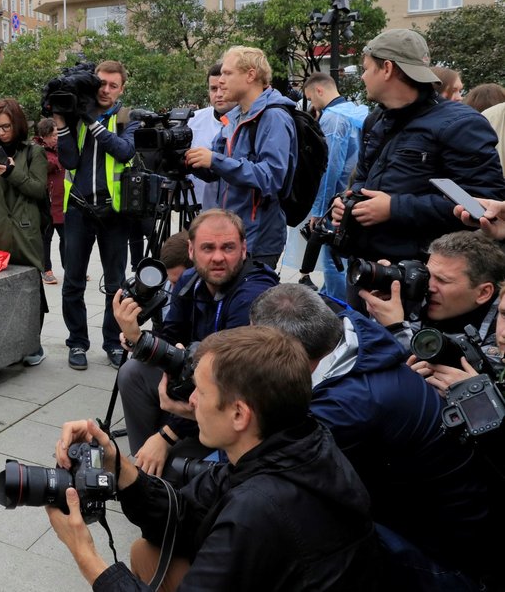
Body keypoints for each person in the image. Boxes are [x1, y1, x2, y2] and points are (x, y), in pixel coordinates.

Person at [47, 326, 376, 592]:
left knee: (144, 559)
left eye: (200, 393)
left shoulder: (259, 510)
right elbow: (186, 511)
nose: (189, 401)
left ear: (238, 414)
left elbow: (239, 521)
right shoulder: (298, 441)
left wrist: (85, 553)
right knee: (146, 553)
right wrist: (119, 467)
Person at [251, 284, 497, 590]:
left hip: (445, 558)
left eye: (254, 346)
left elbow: (259, 469)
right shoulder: (355, 333)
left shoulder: (347, 406)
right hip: (433, 519)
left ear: (282, 352)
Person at [331, 29, 505, 305]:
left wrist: (394, 208)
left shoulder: (460, 124)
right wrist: (346, 202)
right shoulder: (376, 121)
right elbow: (362, 179)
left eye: (365, 68)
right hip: (368, 269)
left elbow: (482, 204)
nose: (362, 77)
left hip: (423, 280)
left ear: (387, 68)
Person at [113, 209, 279, 473]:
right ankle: (147, 468)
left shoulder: (253, 294)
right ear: (191, 251)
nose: (217, 257)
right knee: (133, 372)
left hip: (235, 398)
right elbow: (170, 336)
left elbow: (229, 379)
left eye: (228, 247)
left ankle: (171, 462)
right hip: (196, 381)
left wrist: (166, 436)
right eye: (207, 248)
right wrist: (136, 338)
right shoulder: (190, 279)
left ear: (244, 249)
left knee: (174, 458)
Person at [55, 60, 139, 371]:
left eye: (112, 85)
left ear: (121, 89)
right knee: (72, 281)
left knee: (116, 284)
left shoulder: (129, 117)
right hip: (78, 208)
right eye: (101, 83)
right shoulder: (78, 114)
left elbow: (124, 151)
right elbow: (69, 160)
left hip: (115, 213)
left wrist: (92, 122)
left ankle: (112, 343)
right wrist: (64, 123)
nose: (105, 90)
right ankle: (77, 342)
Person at [185, 46, 298, 268]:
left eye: (227, 73)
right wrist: (190, 161)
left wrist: (214, 160)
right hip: (231, 235)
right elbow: (214, 171)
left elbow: (272, 177)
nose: (221, 80)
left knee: (251, 302)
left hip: (258, 240)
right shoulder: (234, 117)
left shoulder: (273, 117)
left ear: (250, 75)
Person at [0, 99, 48, 366]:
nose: (2, 132)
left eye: (6, 127)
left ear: (17, 125)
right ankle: (1, 344)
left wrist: (11, 173)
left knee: (30, 290)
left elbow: (39, 190)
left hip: (25, 230)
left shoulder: (33, 152)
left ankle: (32, 345)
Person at [284, 72, 368, 299]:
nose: (312, 104)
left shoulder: (333, 118)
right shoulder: (358, 111)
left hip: (338, 202)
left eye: (311, 98)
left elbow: (329, 168)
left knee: (333, 261)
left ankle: (338, 308)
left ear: (319, 90)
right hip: (360, 197)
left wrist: (320, 211)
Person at [359, 230, 505, 355]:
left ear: (483, 293)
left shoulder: (500, 327)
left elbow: (440, 380)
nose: (429, 287)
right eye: (428, 275)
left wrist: (397, 329)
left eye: (442, 281)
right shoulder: (420, 296)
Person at [189, 62, 234, 210]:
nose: (219, 94)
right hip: (196, 208)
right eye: (213, 89)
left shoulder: (247, 122)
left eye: (223, 88)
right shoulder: (193, 119)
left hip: (232, 212)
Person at [34, 118, 64, 285]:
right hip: (46, 202)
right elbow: (44, 166)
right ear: (43, 136)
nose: (56, 138)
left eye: (57, 134)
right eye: (52, 135)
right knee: (46, 238)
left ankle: (71, 267)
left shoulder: (62, 147)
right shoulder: (37, 150)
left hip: (63, 202)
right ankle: (46, 269)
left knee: (67, 238)